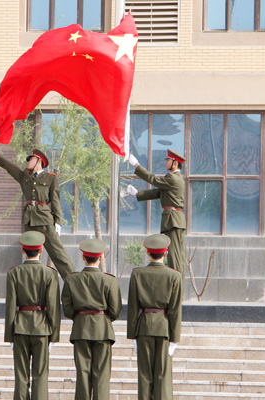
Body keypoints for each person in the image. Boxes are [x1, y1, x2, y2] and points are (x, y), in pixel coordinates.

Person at [0, 140, 74, 280]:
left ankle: (74, 282)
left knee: (58, 254)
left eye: (31, 159)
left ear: (39, 161)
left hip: (45, 220)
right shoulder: (24, 176)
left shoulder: (50, 179)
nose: (28, 161)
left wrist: (58, 222)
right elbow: (7, 166)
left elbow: (55, 200)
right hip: (29, 219)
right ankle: (32, 284)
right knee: (30, 256)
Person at [62, 239, 122, 400]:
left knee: (82, 373)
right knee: (102, 375)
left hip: (81, 329)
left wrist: (80, 317)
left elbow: (67, 309)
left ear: (83, 257)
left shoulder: (71, 279)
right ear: (101, 257)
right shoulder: (109, 280)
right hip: (103, 330)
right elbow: (115, 310)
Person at [4, 231, 61, 400]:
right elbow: (53, 307)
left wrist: (9, 335)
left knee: (20, 375)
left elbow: (10, 307)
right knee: (41, 374)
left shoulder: (14, 273)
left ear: (23, 250)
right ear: (41, 250)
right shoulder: (50, 273)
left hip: (20, 326)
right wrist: (53, 334)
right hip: (42, 328)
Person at [127, 234, 182, 400]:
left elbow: (132, 308)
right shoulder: (174, 276)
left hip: (143, 327)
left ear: (148, 253)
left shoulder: (138, 274)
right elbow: (175, 310)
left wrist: (132, 335)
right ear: (166, 253)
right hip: (164, 328)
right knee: (162, 376)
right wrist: (175, 338)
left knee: (144, 375)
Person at [124, 149, 186, 272]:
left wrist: (137, 165)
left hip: (173, 220)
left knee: (175, 257)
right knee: (173, 256)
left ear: (175, 163)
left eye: (168, 160)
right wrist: (137, 193)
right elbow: (157, 193)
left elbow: (153, 179)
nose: (165, 162)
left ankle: (178, 287)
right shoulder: (173, 179)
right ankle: (176, 285)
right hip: (173, 219)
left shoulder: (173, 178)